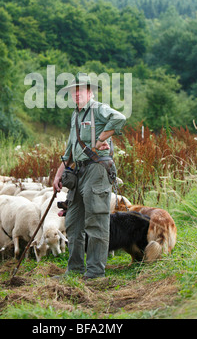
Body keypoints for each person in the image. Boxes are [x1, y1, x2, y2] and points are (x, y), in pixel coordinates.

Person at [53, 72, 126, 279]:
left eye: (81, 90)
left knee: (96, 222)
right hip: (78, 172)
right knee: (73, 223)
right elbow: (69, 149)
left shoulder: (99, 109)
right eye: (73, 92)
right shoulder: (75, 115)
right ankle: (74, 270)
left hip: (97, 169)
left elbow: (120, 118)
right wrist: (59, 175)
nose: (76, 95)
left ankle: (95, 273)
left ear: (90, 92)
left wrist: (101, 138)